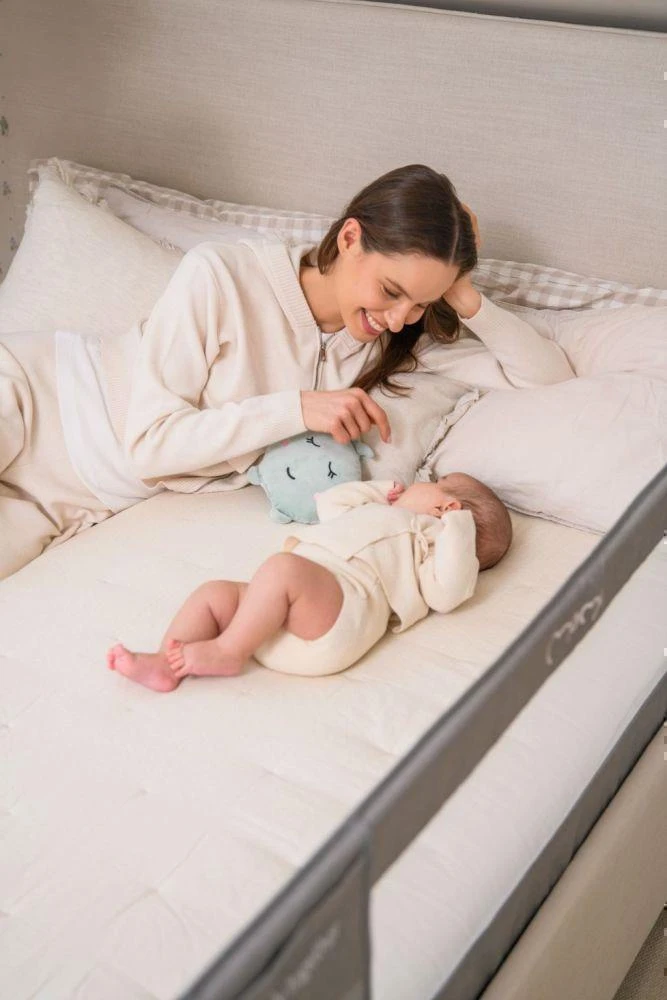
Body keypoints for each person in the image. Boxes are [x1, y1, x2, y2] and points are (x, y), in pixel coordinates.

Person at [0, 164, 572, 579]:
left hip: (74, 504)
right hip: (36, 399)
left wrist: (463, 292)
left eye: (420, 303)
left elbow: (548, 379)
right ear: (350, 238)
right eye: (391, 290)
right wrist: (297, 408)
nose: (400, 317)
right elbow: (149, 445)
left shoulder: (392, 342)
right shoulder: (223, 276)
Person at [106, 472, 512, 690]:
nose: (421, 479)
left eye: (434, 481)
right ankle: (165, 664)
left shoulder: (430, 544)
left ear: (446, 506)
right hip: (275, 617)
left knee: (282, 569)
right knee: (214, 594)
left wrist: (458, 528)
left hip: (338, 617)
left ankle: (228, 650)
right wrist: (374, 491)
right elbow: (329, 504)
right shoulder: (374, 512)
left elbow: (449, 592)